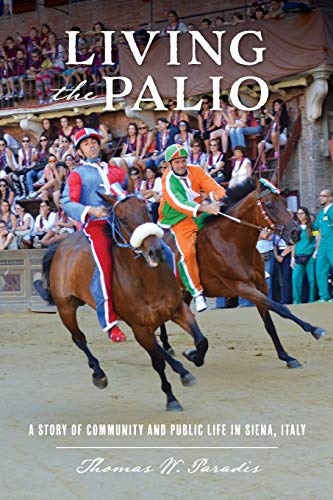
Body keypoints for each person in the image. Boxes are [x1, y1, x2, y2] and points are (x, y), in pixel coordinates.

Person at [62, 128, 127, 342]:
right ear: (80, 150)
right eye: (86, 144)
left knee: (158, 245)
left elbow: (124, 193)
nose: (91, 145)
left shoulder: (115, 170)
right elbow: (68, 203)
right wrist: (91, 210)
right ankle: (110, 323)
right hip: (97, 225)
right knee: (104, 266)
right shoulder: (77, 174)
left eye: (94, 142)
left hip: (121, 221)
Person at [158, 144, 226, 312]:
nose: (181, 165)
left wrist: (218, 197)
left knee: (227, 227)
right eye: (177, 162)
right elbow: (180, 203)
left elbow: (211, 185)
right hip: (179, 219)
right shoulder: (167, 180)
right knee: (187, 252)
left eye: (183, 161)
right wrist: (207, 208)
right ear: (169, 164)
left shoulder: (195, 170)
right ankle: (197, 293)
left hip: (198, 213)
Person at [291, 206, 316, 303]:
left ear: (306, 214)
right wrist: (292, 258)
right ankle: (296, 300)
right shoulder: (295, 228)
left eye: (302, 213)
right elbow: (293, 243)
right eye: (298, 214)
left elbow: (317, 239)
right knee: (295, 279)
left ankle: (312, 299)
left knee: (312, 280)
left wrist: (315, 252)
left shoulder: (313, 227)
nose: (300, 216)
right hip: (298, 256)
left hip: (310, 256)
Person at [313, 190, 333, 302]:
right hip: (323, 246)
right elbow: (318, 232)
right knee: (320, 270)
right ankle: (324, 296)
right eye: (320, 196)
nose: (321, 198)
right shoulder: (321, 213)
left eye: (324, 196)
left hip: (332, 243)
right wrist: (316, 249)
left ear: (330, 198)